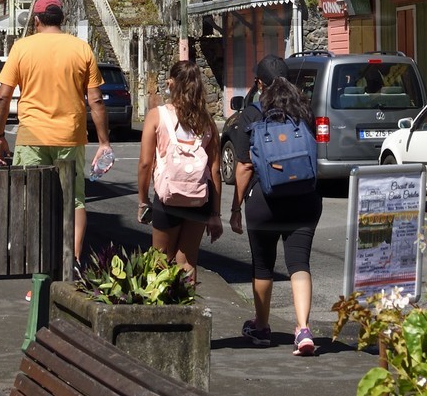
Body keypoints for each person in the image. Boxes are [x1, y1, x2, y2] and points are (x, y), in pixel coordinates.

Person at [0, 0, 112, 266]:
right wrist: (104, 142)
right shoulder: (81, 48)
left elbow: (2, 97)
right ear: (62, 19)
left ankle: (39, 267)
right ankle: (74, 261)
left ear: (36, 20)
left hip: (32, 136)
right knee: (75, 200)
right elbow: (95, 100)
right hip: (70, 136)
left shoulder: (22, 48)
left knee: (30, 199)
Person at [228, 54, 323, 356]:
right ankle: (304, 328)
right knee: (299, 263)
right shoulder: (304, 111)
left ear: (259, 83)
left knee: (263, 265)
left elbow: (243, 167)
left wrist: (235, 206)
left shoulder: (252, 114)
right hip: (305, 198)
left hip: (264, 201)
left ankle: (261, 326)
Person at [138, 60, 222, 283]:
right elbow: (214, 170)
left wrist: (143, 200)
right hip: (198, 201)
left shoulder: (157, 116)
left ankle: (163, 314)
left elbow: (145, 164)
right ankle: (188, 314)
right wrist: (215, 214)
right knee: (187, 262)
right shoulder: (207, 122)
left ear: (171, 83)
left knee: (160, 261)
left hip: (168, 199)